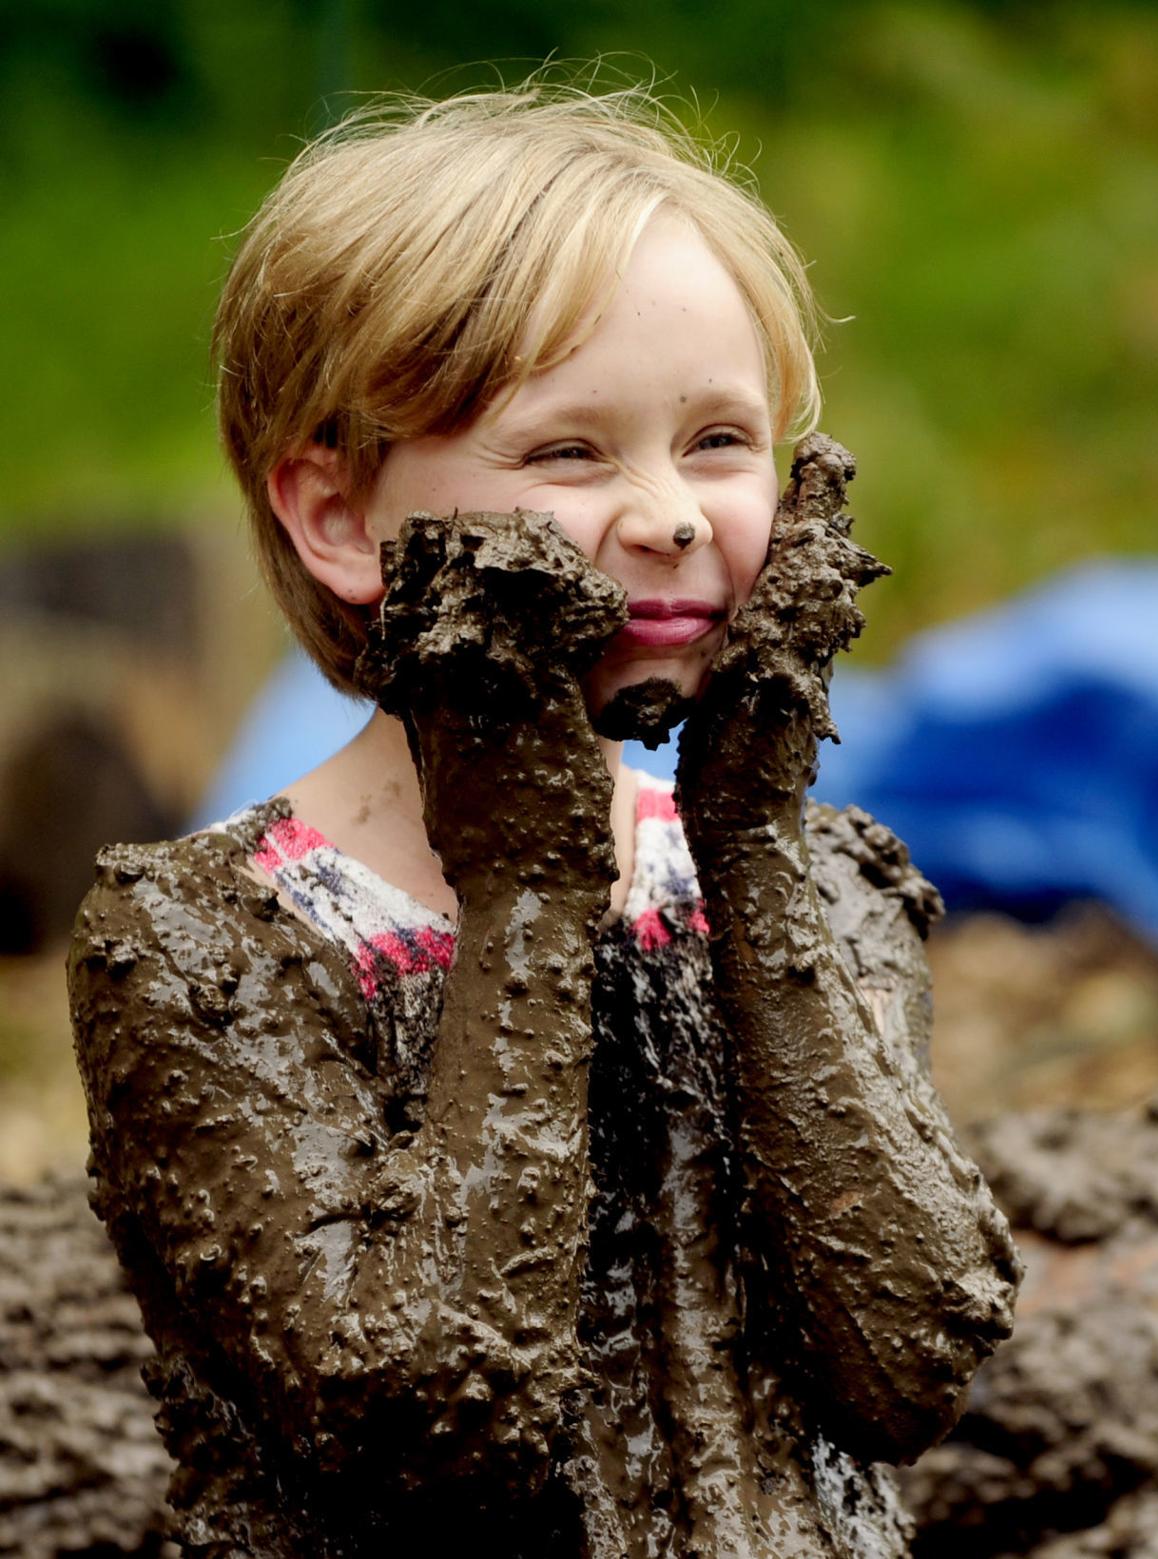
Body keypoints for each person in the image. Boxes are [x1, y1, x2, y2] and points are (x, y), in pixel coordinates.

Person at [69, 80, 1020, 1558]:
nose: (672, 516)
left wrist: (754, 850)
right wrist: (525, 892)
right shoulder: (199, 940)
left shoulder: (824, 881)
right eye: (569, 454)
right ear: (337, 516)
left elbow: (908, 1363)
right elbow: (427, 1423)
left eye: (718, 442)